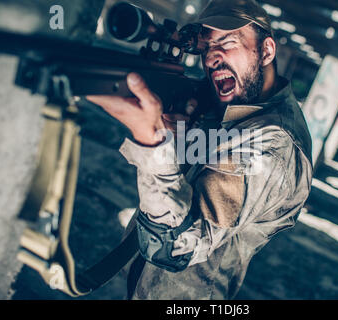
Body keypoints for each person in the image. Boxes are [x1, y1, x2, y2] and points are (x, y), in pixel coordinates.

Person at [87, 0, 313, 300]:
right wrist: (180, 137)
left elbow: (172, 247)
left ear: (267, 51)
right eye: (206, 47)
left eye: (228, 43)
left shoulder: (275, 147)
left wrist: (152, 142)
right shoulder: (229, 100)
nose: (212, 58)